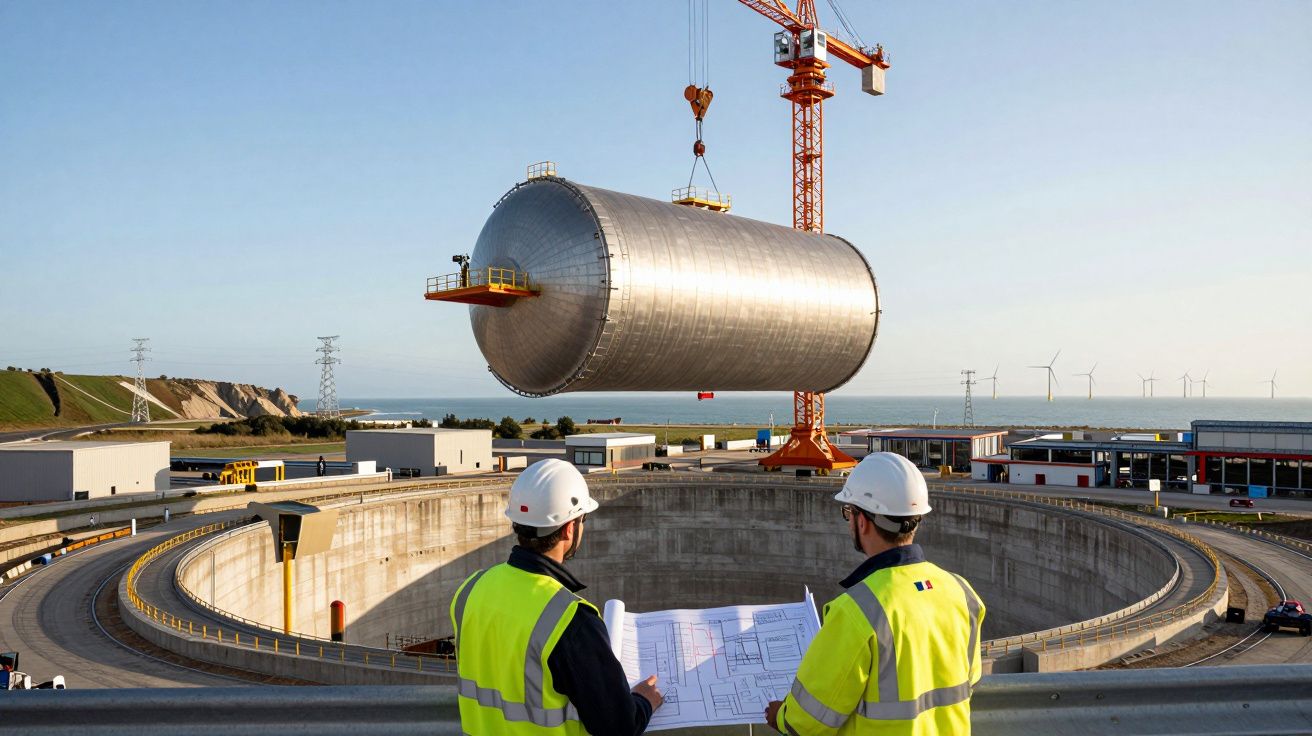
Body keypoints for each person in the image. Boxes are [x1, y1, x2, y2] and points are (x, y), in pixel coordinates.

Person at [766, 452, 986, 735]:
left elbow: (808, 719)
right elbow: (970, 680)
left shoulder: (858, 611)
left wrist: (781, 717)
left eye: (849, 512)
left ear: (862, 521)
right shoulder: (961, 592)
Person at [450, 459, 663, 734]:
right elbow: (618, 727)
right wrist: (643, 701)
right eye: (582, 519)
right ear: (569, 528)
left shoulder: (470, 590)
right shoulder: (571, 621)